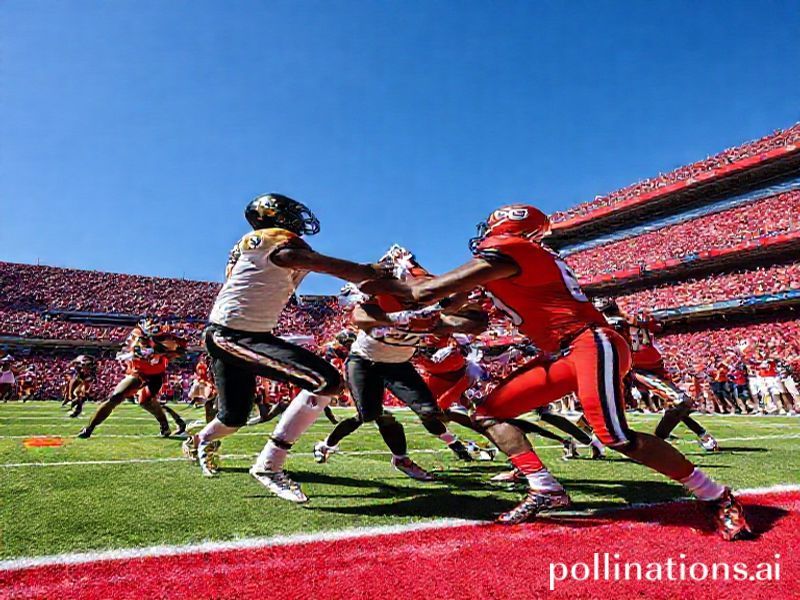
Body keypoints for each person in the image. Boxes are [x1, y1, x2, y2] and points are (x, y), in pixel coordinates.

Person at [366, 204, 750, 540]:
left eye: (491, 229)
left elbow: (429, 293)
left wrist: (395, 273)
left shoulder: (514, 251)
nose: (484, 236)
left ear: (509, 229)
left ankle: (715, 494)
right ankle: (544, 487)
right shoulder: (510, 266)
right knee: (488, 413)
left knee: (614, 436)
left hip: (590, 342)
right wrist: (413, 279)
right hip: (564, 352)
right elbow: (449, 304)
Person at [182, 193, 391, 503]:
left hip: (241, 333)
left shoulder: (259, 247)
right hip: (234, 334)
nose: (297, 217)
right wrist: (367, 270)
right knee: (327, 382)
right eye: (289, 211)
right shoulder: (270, 240)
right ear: (270, 215)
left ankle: (199, 439)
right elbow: (310, 261)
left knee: (234, 417)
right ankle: (269, 465)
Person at [313, 246, 484, 476]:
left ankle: (419, 454)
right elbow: (361, 317)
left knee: (429, 411)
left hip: (398, 364)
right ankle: (326, 445)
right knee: (368, 415)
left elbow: (472, 319)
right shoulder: (381, 295)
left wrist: (462, 300)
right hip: (364, 361)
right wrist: (400, 318)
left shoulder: (433, 302)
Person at [77, 320, 187, 438]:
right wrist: (157, 352)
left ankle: (164, 425)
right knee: (116, 397)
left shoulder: (164, 338)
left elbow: (180, 351)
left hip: (156, 375)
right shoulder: (136, 341)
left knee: (145, 401)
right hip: (138, 373)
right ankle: (90, 428)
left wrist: (169, 352)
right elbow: (131, 353)